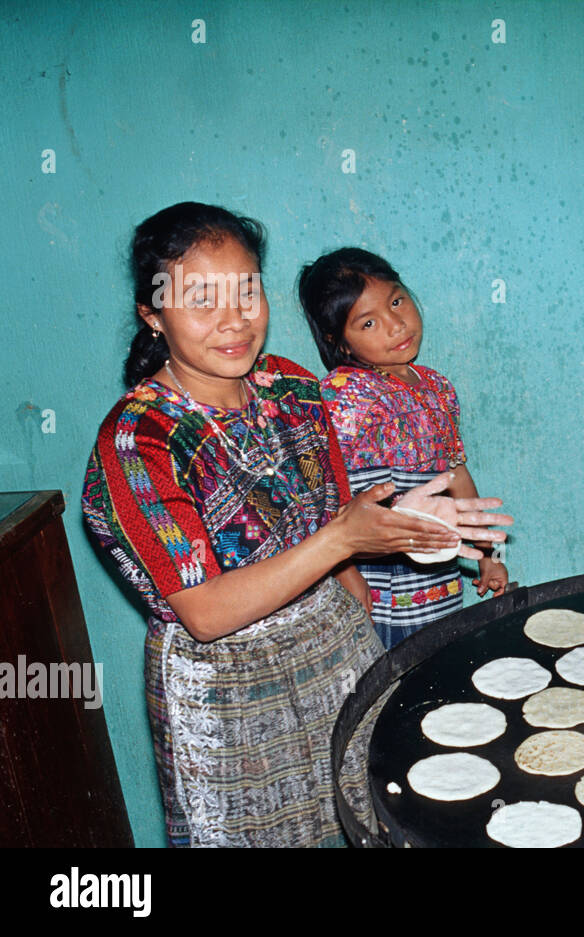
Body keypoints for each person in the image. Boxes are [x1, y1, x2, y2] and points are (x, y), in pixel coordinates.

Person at [82, 202, 511, 847]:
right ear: (154, 315)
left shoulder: (290, 387)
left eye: (247, 292)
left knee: (371, 823)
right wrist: (345, 541)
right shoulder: (139, 439)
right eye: (203, 300)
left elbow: (337, 514)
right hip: (225, 695)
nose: (235, 320)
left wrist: (394, 527)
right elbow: (203, 611)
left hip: (334, 650)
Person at [298, 249, 507, 649]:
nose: (395, 326)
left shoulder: (437, 387)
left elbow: (456, 474)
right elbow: (327, 499)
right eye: (369, 322)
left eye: (396, 302)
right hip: (383, 594)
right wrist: (348, 577)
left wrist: (486, 554)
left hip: (439, 581)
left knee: (440, 668)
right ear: (338, 341)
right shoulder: (345, 397)